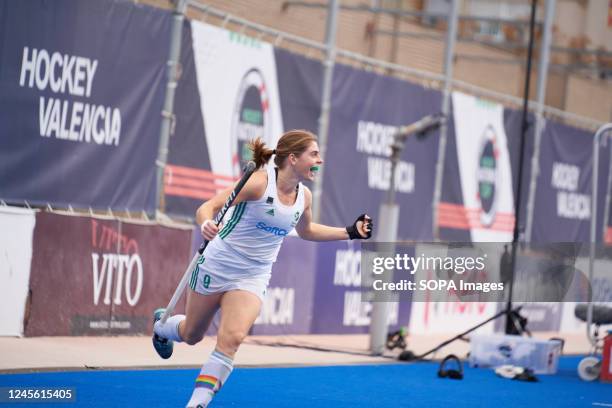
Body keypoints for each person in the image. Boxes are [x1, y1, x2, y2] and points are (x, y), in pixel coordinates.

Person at [152, 129, 373, 408]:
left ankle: (196, 404)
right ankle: (163, 327)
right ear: (293, 158)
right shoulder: (258, 182)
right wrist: (206, 223)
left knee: (232, 338)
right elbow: (208, 207)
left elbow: (306, 231)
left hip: (253, 275)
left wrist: (350, 232)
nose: (319, 160)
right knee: (192, 334)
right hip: (218, 263)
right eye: (314, 154)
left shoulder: (304, 197)